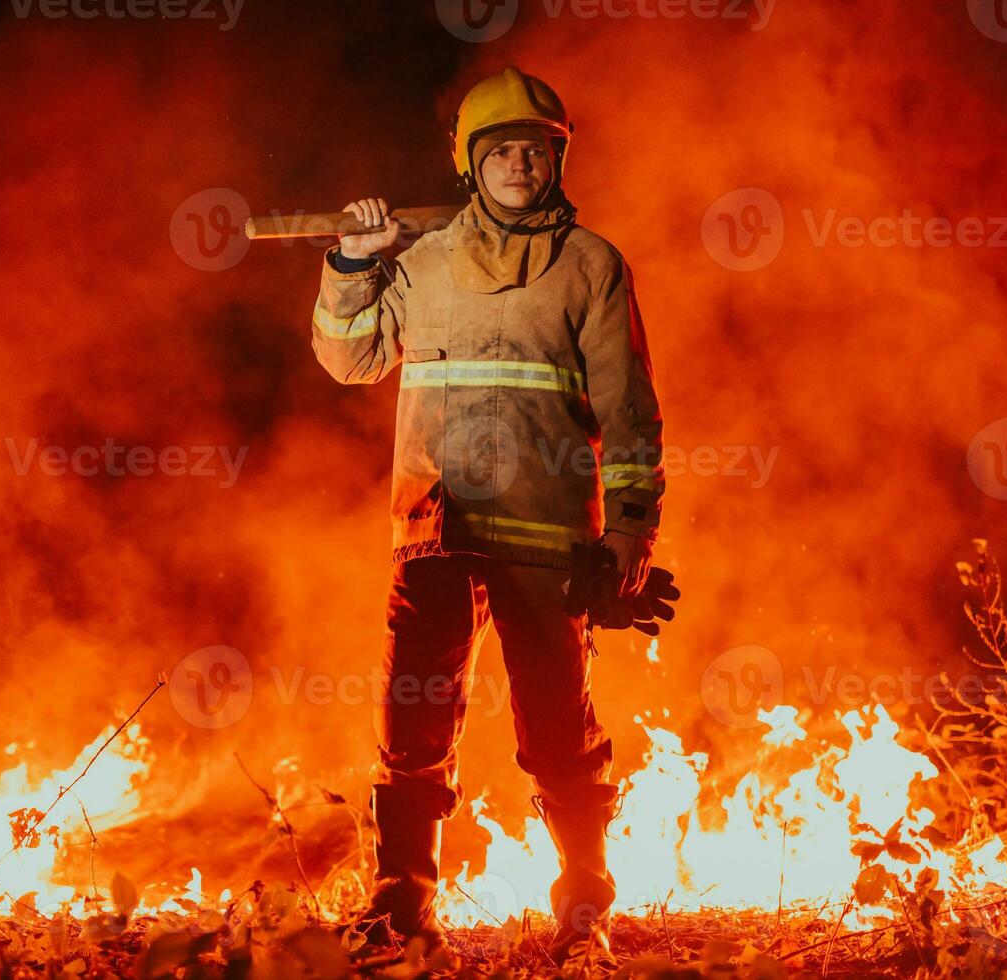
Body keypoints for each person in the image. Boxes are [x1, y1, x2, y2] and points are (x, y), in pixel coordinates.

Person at [309, 66, 665, 963]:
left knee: (557, 725)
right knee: (411, 721)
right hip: (434, 527)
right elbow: (350, 360)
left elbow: (630, 412)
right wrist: (354, 265)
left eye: (536, 150)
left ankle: (584, 898)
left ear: (557, 160)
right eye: (500, 150)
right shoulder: (419, 262)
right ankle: (401, 903)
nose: (519, 163)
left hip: (551, 541)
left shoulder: (591, 265)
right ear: (472, 164)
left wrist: (628, 532)